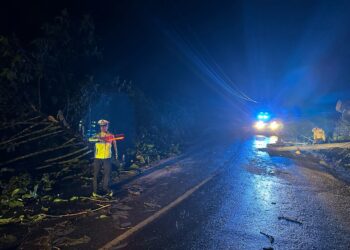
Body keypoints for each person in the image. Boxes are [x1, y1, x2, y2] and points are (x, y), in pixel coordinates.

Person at [89, 119, 118, 197]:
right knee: (96, 174)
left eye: (104, 126)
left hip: (107, 157)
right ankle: (95, 192)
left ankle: (105, 188)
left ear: (107, 126)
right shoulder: (97, 135)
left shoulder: (111, 135)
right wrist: (98, 139)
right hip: (98, 157)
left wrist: (116, 154)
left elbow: (115, 145)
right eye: (101, 126)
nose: (103, 128)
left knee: (107, 174)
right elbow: (89, 139)